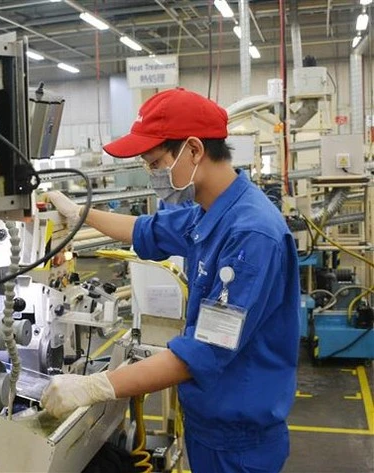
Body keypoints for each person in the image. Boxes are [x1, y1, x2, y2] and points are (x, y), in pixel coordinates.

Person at [41, 88, 300, 473]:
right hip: (208, 425)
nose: (154, 176)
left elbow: (203, 352)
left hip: (239, 443)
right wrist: (79, 212)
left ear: (194, 150)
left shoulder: (250, 234)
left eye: (157, 163)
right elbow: (147, 230)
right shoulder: (210, 210)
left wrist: (96, 386)